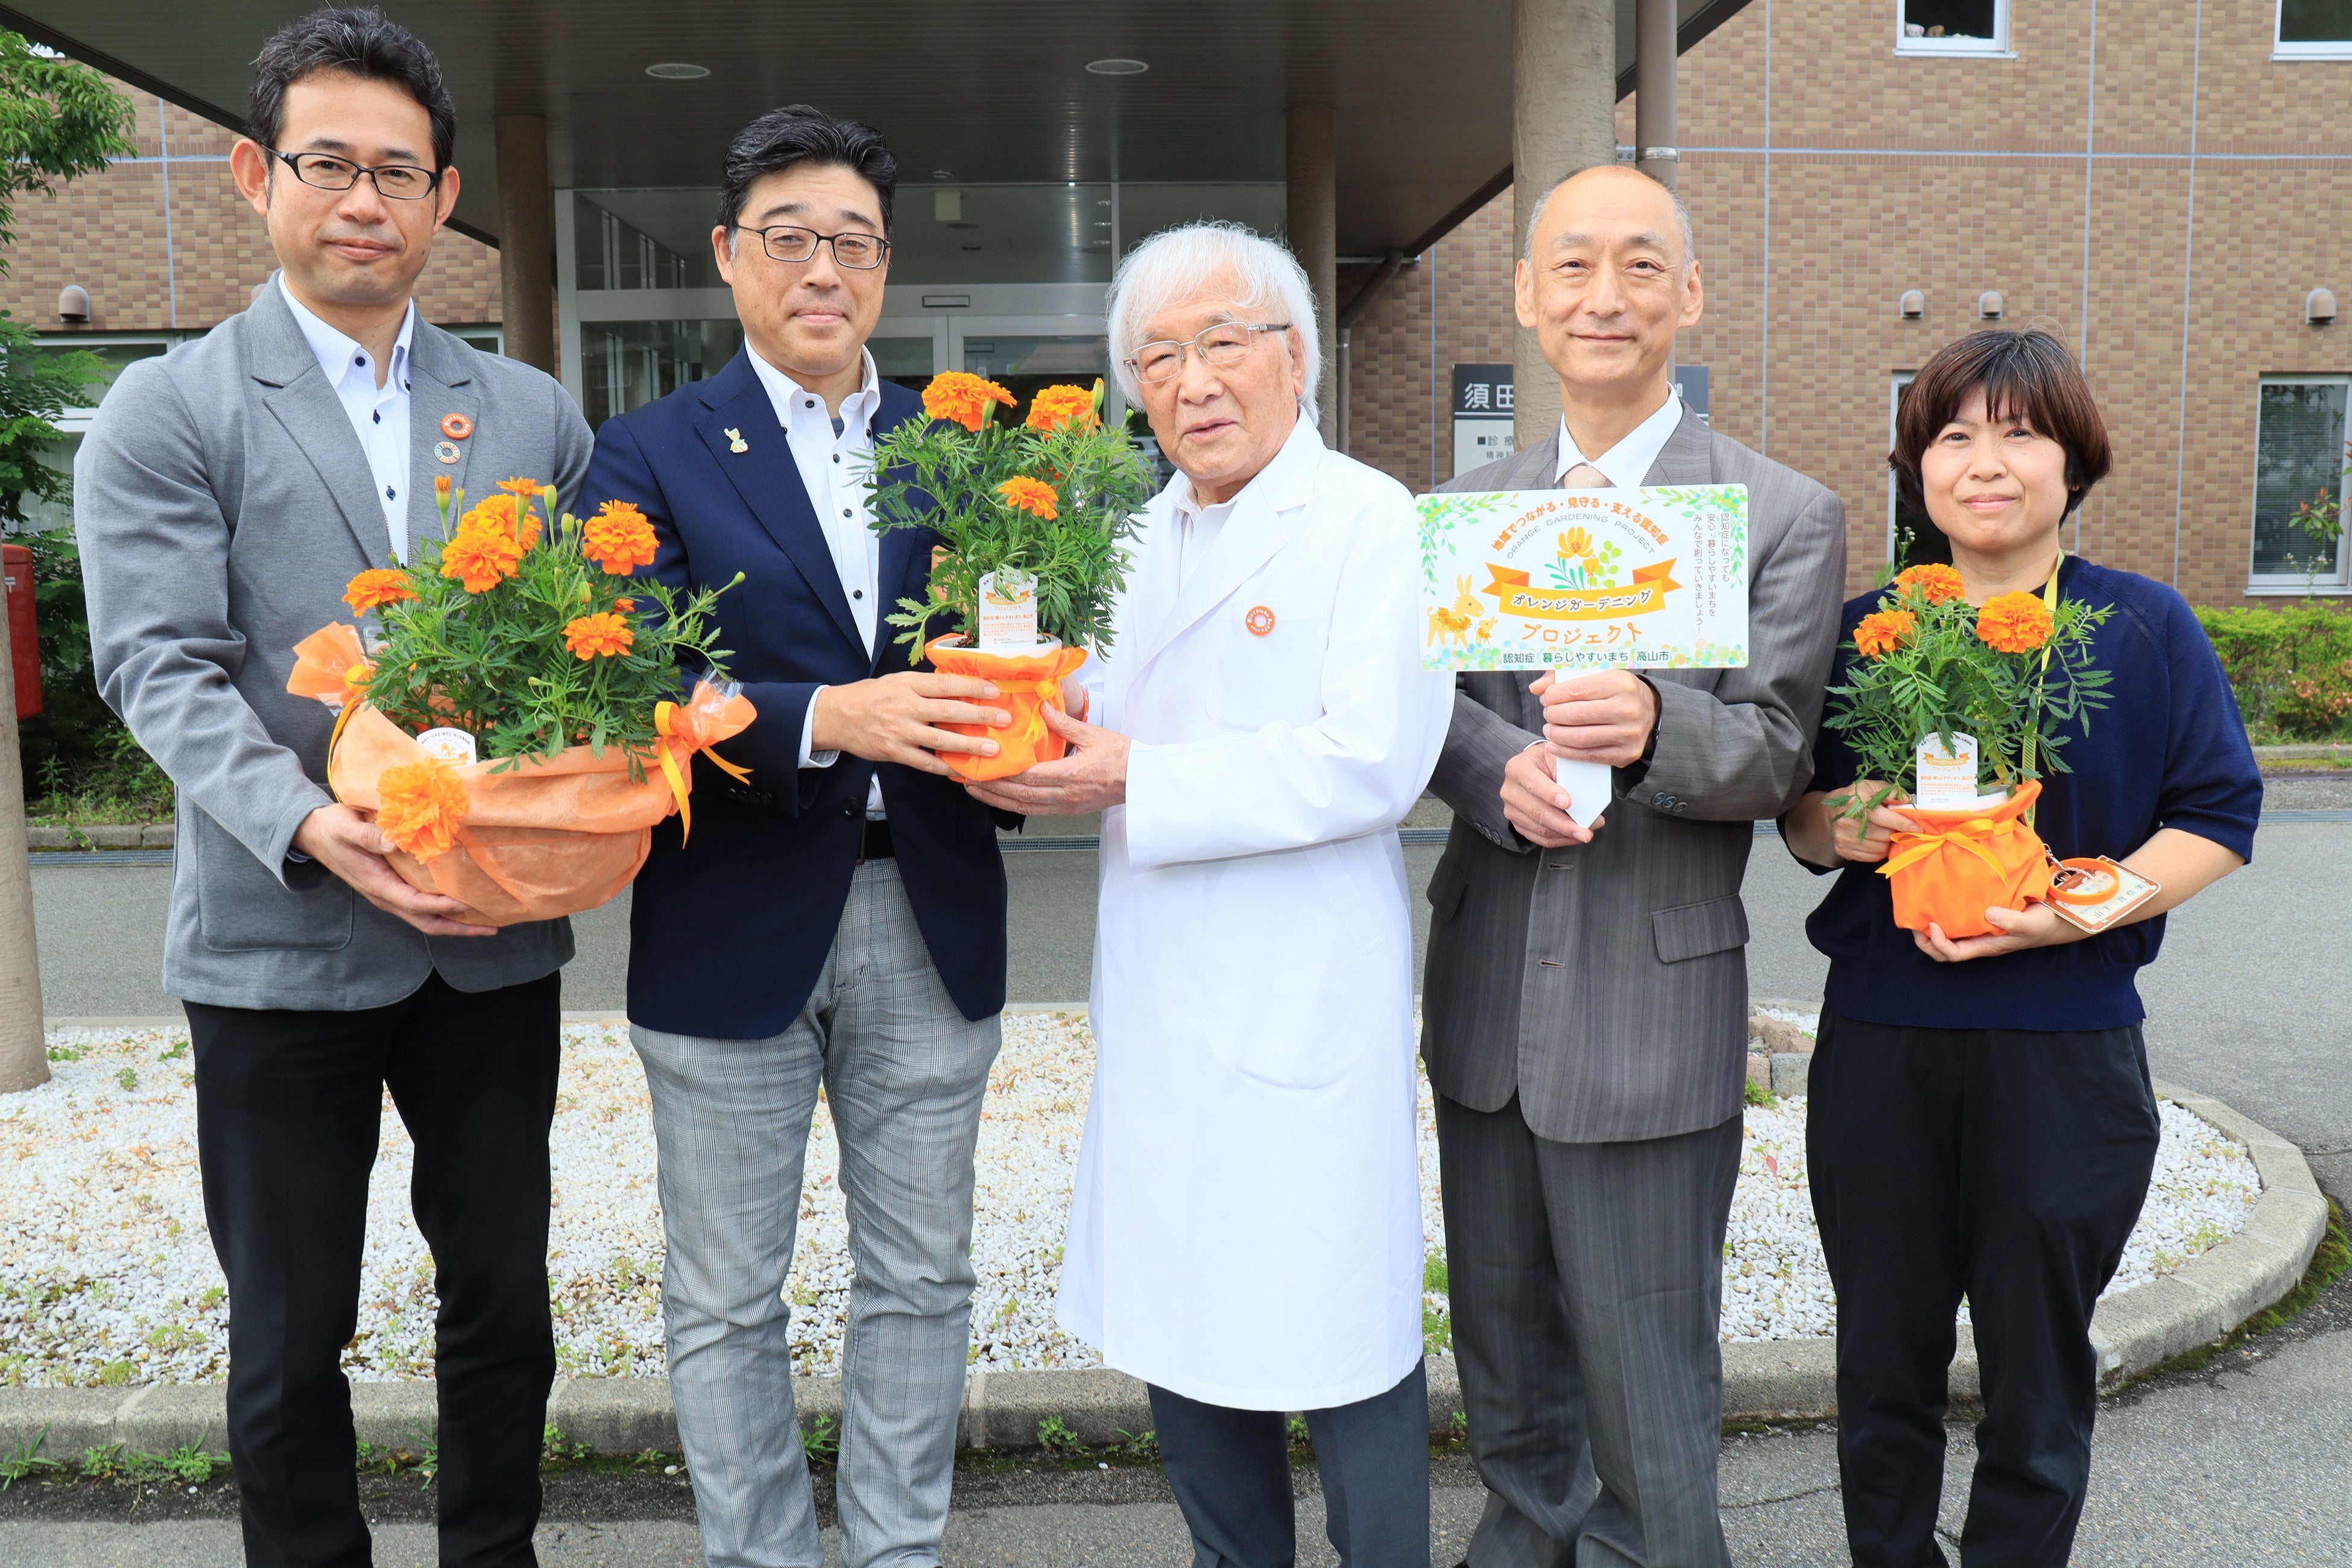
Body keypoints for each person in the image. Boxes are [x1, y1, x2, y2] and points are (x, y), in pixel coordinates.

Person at [72, 9, 592, 1564]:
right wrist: (314, 824)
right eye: (330, 164)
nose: (364, 201)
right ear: (255, 174)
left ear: (445, 200)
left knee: (503, 1297)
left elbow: (570, 661)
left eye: (399, 173)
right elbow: (159, 665)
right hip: (276, 938)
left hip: (487, 932)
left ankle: (490, 1550)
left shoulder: (525, 413)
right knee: (294, 1334)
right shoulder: (169, 411)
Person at [967, 221, 1453, 1568]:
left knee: (1341, 1329)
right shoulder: (1135, 536)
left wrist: (1137, 775)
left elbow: (1377, 761)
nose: (1192, 382)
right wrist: (1039, 729)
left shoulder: (1370, 518)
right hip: (1168, 997)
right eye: (1158, 356)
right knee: (1184, 1318)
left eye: (1221, 342)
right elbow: (1100, 715)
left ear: (1295, 358)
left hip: (1302, 993)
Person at [581, 105, 1017, 1568]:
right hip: (726, 919)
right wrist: (830, 716)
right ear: (730, 255)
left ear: (884, 267)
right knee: (723, 1295)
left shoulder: (956, 447)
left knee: (921, 1275)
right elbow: (628, 672)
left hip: (932, 906)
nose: (822, 268)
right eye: (790, 238)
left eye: (853, 241)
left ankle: (897, 1550)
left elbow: (1029, 637)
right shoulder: (647, 449)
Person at [1420, 163, 1848, 1567]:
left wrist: (1660, 720)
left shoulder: (1778, 511)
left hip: (1652, 1006)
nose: (1607, 296)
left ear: (1690, 296)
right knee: (1502, 1350)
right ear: (1530, 297)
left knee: (1649, 1367)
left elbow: (1782, 750)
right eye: (1576, 267)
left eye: (1642, 266)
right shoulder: (1466, 513)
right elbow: (1431, 723)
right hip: (1487, 996)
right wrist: (1498, 775)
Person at [1778, 328, 2260, 1567]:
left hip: (2066, 1048)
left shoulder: (2139, 628)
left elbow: (2217, 815)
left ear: (2072, 459)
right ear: (1918, 467)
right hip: (1885, 1040)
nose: (1984, 463)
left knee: (2038, 1372)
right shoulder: (1863, 630)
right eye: (1952, 435)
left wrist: (2082, 910)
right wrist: (1845, 826)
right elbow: (1800, 810)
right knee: (1882, 1359)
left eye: (2018, 432)